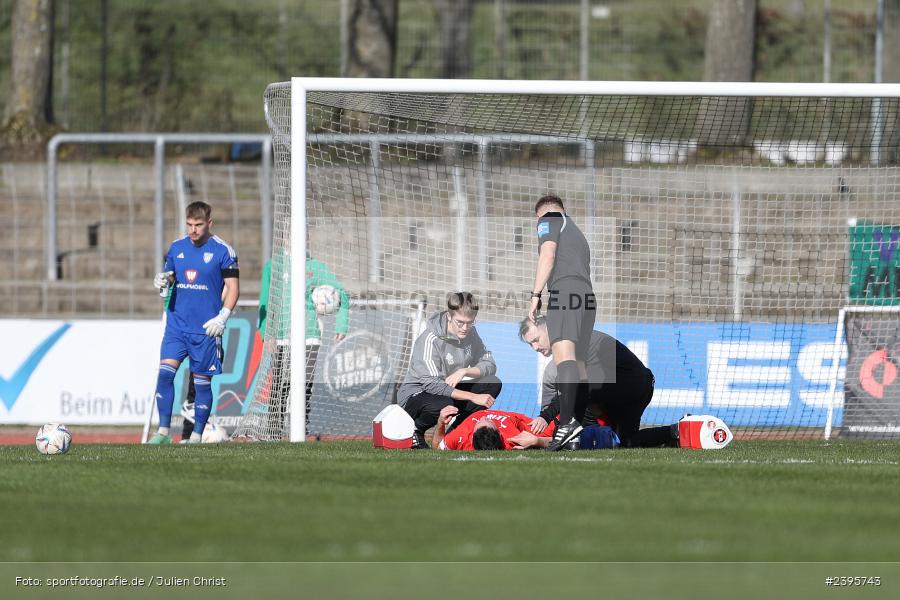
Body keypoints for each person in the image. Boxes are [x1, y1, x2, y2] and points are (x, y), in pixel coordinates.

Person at [149, 201, 239, 444]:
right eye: (189, 224)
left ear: (209, 223)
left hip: (205, 330)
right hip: (177, 326)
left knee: (201, 384)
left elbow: (233, 288)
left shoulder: (223, 251)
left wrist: (223, 317)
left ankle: (197, 436)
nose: (193, 230)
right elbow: (170, 278)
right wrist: (163, 281)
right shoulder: (176, 248)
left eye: (198, 225)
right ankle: (163, 433)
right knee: (165, 376)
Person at [518, 316, 679, 448]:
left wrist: (546, 417)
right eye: (530, 344)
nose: (535, 347)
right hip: (638, 386)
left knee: (580, 393)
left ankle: (573, 436)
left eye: (536, 340)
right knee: (626, 441)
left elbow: (575, 388)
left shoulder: (571, 342)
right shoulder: (564, 350)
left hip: (629, 384)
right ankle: (674, 432)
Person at [527, 194, 596, 451]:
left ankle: (566, 424)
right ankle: (576, 430)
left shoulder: (549, 219)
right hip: (586, 297)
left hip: (565, 292)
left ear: (540, 214)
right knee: (579, 365)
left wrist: (535, 295)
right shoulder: (577, 232)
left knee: (563, 357)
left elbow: (548, 254)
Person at [257, 250, 349, 438]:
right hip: (282, 334)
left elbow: (341, 292)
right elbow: (266, 300)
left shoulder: (316, 266)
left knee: (305, 385)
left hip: (309, 335)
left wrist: (341, 324)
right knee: (280, 386)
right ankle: (274, 430)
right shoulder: (273, 265)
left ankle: (302, 429)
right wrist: (267, 332)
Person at [398, 292, 501, 449]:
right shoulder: (430, 339)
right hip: (416, 395)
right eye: (460, 322)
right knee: (444, 403)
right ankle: (415, 431)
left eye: (470, 323)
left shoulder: (471, 334)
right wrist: (473, 396)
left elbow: (489, 363)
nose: (465, 328)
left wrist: (464, 372)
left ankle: (456, 430)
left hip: (446, 390)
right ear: (449, 316)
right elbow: (432, 385)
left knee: (492, 383)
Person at [432, 405, 555, 451]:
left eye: (479, 422)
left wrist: (441, 423)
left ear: (472, 436)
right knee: (560, 421)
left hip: (472, 406)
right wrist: (537, 441)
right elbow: (557, 441)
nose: (484, 417)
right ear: (499, 433)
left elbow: (437, 447)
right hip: (520, 421)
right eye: (489, 421)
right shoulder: (512, 439)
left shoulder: (460, 435)